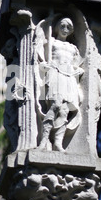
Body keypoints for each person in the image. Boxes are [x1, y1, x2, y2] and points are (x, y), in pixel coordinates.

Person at [36, 16, 84, 152]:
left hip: (68, 77)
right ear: (57, 27)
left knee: (64, 111)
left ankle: (58, 143)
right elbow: (41, 55)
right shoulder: (51, 42)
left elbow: (75, 65)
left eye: (68, 27)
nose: (65, 29)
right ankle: (44, 141)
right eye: (63, 26)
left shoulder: (73, 48)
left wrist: (77, 70)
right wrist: (43, 64)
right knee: (55, 105)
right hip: (55, 74)